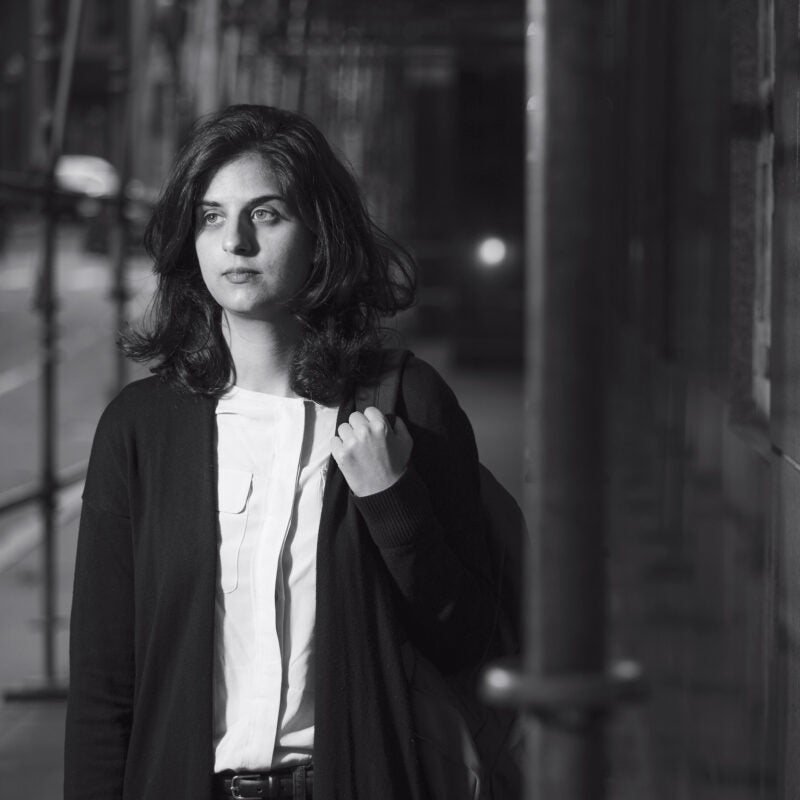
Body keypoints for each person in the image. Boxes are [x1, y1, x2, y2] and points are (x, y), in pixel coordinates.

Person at [64, 104, 505, 800]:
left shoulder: (405, 405)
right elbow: (103, 686)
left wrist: (394, 506)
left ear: (321, 237)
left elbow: (467, 638)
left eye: (266, 214)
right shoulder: (140, 429)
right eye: (211, 216)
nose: (234, 241)